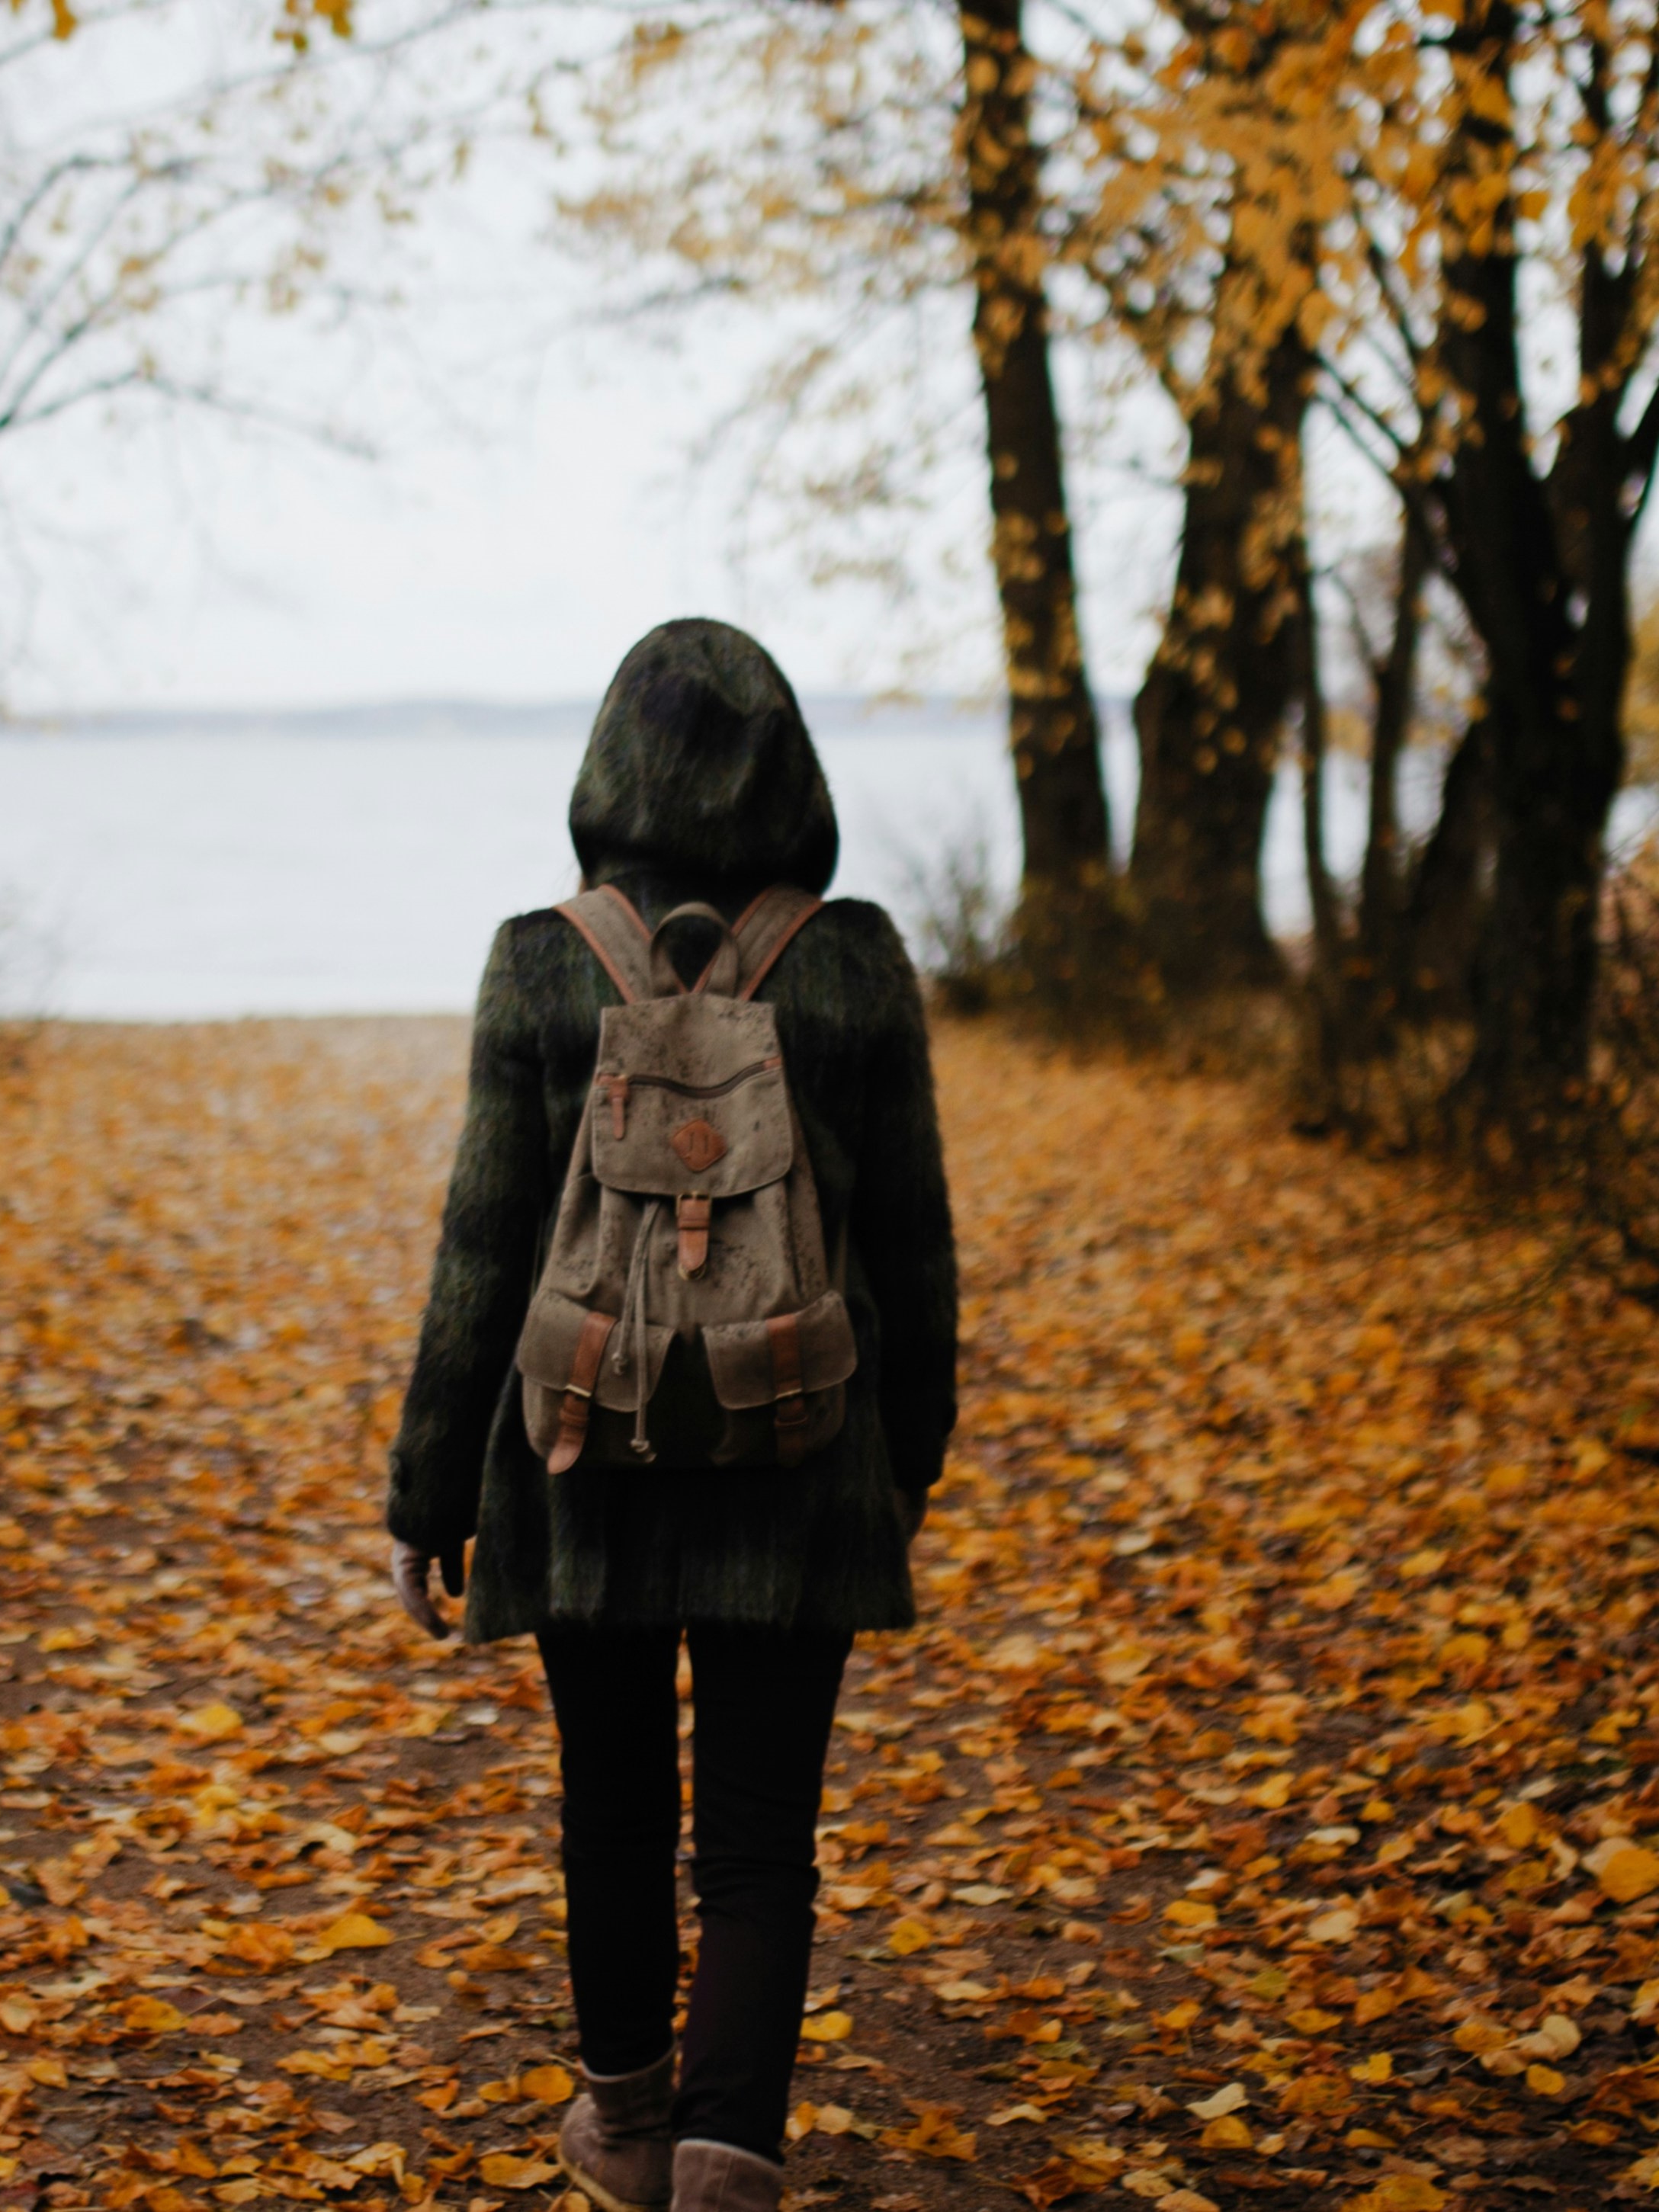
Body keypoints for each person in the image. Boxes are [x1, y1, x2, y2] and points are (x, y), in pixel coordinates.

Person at [383, 620, 958, 2212]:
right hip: (801, 1452)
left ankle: (628, 2127)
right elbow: (913, 1240)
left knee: (614, 1803)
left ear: (608, 770)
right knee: (761, 1841)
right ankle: (729, 2156)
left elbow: (484, 1243)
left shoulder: (539, 957)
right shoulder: (851, 961)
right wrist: (899, 1459)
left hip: (583, 1456)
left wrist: (431, 1486)